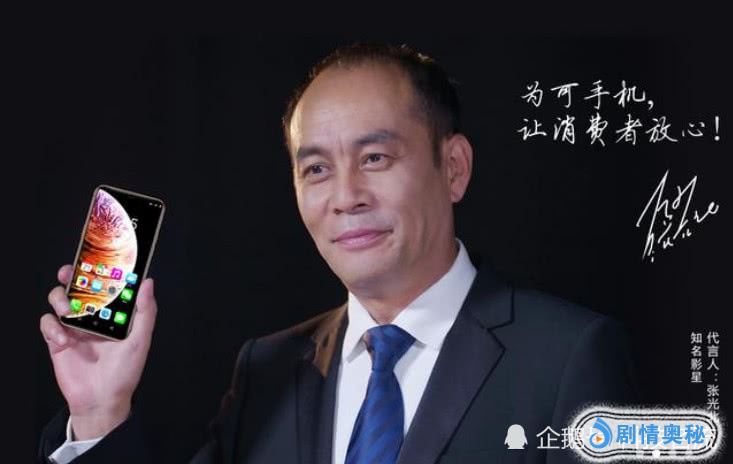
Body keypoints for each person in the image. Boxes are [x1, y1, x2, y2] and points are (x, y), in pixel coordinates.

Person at [38, 42, 639, 463]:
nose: (346, 196)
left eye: (375, 158)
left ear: (453, 167)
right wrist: (99, 413)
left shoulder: (569, 356)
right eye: (317, 169)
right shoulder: (266, 370)